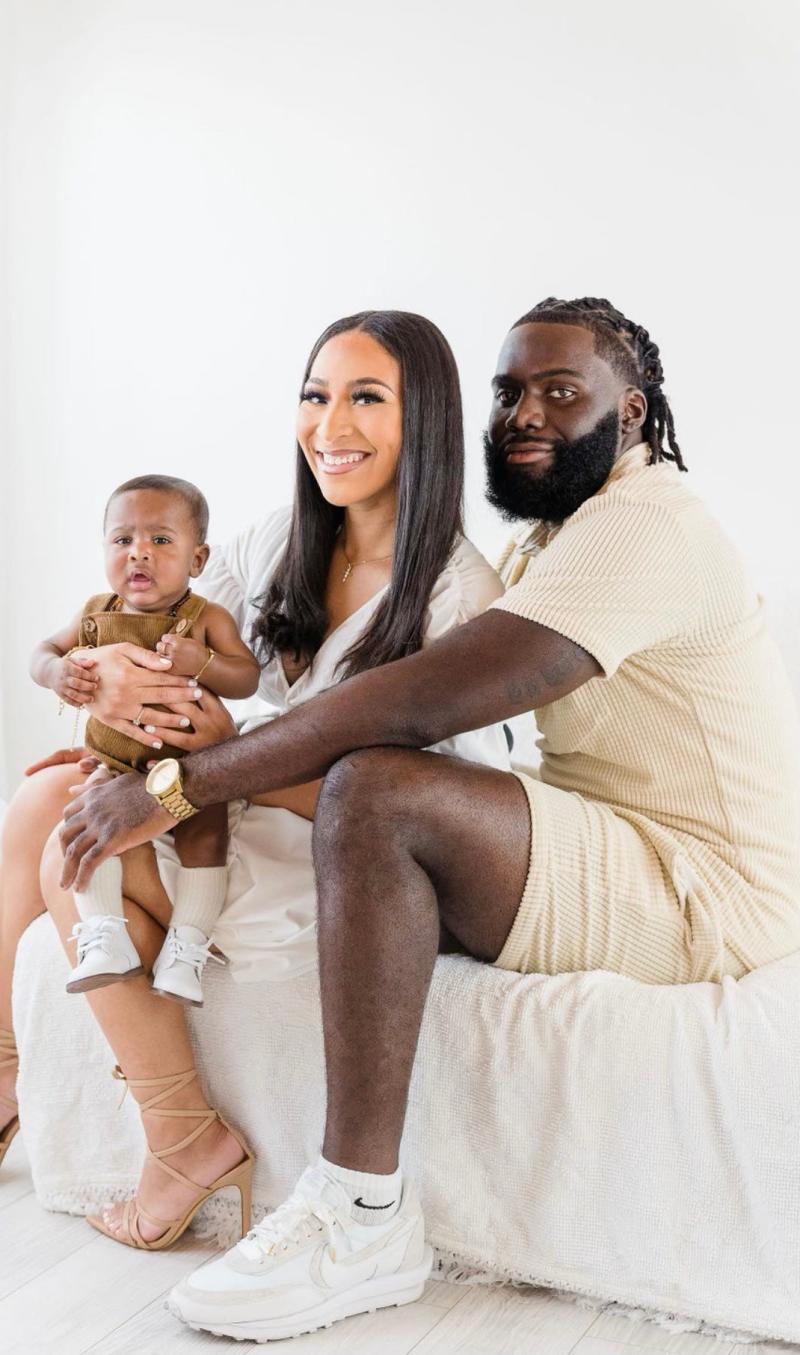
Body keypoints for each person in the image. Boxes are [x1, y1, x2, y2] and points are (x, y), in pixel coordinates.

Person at [58, 297, 800, 1342]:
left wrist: (182, 783)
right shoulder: (567, 531)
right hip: (614, 838)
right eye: (507, 392)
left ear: (632, 413)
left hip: (701, 891)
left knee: (376, 786)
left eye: (560, 392)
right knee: (330, 805)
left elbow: (415, 702)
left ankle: (361, 1211)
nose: (523, 415)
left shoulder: (646, 524)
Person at [0, 309, 510, 1253]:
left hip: (332, 860)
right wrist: (121, 718)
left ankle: (173, 1133)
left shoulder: (459, 593)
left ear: (423, 415)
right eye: (314, 396)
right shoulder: (277, 540)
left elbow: (419, 812)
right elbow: (155, 630)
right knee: (49, 800)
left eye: (365, 398)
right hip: (223, 803)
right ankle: (2, 1072)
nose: (329, 425)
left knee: (67, 838)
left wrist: (222, 764)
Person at [30, 472, 259, 1003]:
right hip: (113, 765)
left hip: (189, 766)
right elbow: (42, 650)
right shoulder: (95, 615)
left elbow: (245, 678)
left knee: (205, 838)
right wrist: (55, 673)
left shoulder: (205, 618)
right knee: (89, 828)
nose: (139, 554)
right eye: (122, 540)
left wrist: (202, 661)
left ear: (197, 560)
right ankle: (104, 936)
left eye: (160, 540)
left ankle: (187, 947)